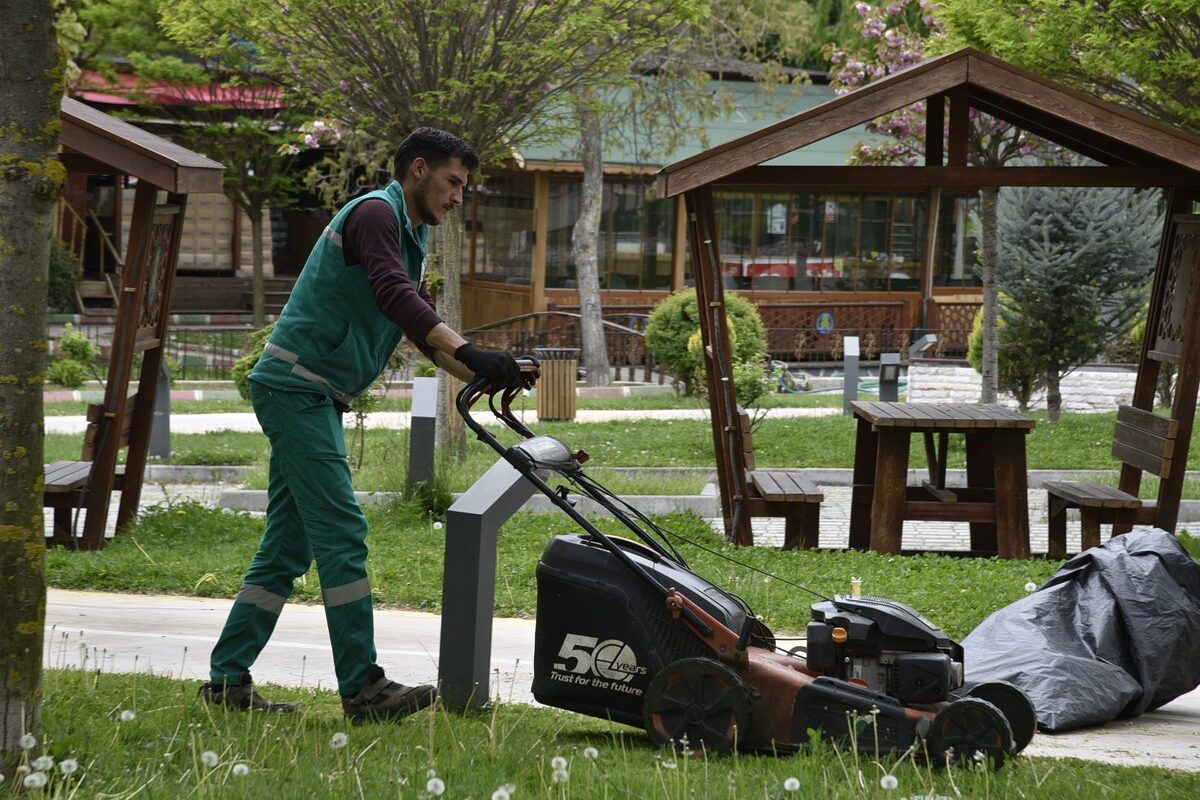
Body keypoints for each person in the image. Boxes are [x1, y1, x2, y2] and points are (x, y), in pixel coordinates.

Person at [199, 128, 523, 722]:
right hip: (296, 388)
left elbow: (412, 326)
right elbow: (395, 294)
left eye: (464, 188)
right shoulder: (376, 214)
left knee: (287, 547)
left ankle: (226, 681)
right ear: (419, 170)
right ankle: (364, 689)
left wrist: (482, 368)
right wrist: (470, 350)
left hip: (311, 393)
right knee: (343, 533)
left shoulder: (412, 232)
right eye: (453, 183)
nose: (458, 198)